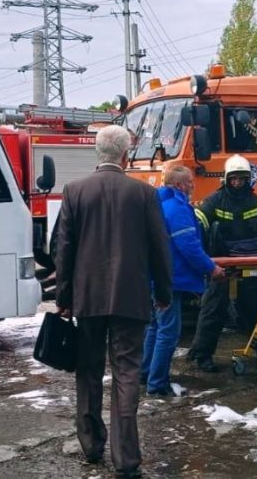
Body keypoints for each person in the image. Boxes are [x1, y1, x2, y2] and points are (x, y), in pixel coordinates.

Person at [54, 125, 172, 479]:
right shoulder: (144, 194)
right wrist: (164, 293)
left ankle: (91, 445)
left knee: (88, 370)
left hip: (88, 298)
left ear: (97, 152)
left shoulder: (74, 191)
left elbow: (64, 249)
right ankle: (126, 459)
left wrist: (64, 297)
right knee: (127, 373)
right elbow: (160, 247)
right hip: (130, 297)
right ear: (125, 155)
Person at [186, 154, 257, 372]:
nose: (237, 183)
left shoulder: (255, 202)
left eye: (241, 179)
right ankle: (202, 355)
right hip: (222, 265)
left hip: (249, 264)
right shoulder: (215, 201)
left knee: (255, 304)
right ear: (226, 179)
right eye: (234, 179)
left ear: (247, 179)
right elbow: (199, 225)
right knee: (213, 308)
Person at [143, 164, 225, 397]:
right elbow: (188, 245)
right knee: (168, 331)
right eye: (190, 182)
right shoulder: (178, 208)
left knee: (154, 327)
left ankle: (145, 373)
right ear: (179, 185)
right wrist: (211, 268)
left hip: (155, 275)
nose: (193, 185)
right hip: (172, 277)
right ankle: (157, 384)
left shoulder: (158, 203)